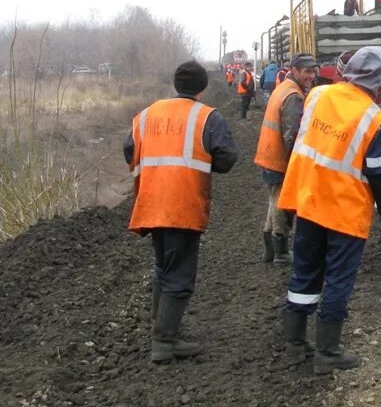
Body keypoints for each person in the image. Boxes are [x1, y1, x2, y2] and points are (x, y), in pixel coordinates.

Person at [277, 46, 381, 373]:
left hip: (308, 201)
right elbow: (379, 175)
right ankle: (327, 353)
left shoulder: (316, 95)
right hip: (344, 213)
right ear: (380, 81)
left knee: (305, 272)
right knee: (338, 281)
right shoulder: (377, 120)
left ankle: (295, 344)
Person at [123, 60, 238, 363]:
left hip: (150, 202)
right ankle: (164, 342)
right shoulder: (207, 117)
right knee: (180, 276)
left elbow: (128, 149)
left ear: (176, 85)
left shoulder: (146, 115)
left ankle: (160, 327)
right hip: (183, 206)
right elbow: (227, 159)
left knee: (164, 267)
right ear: (202, 87)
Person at [255, 54, 318, 264]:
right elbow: (291, 134)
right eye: (307, 71)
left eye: (313, 71)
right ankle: (280, 250)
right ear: (295, 70)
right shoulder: (294, 96)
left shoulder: (282, 88)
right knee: (283, 203)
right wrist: (297, 164)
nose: (311, 75)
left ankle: (270, 251)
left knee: (274, 201)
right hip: (279, 158)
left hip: (269, 154)